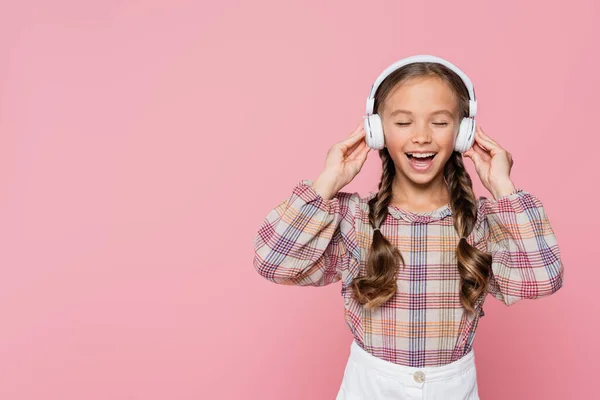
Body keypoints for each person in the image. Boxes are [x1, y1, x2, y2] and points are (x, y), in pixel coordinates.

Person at [253, 55, 564, 399]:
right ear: (376, 131)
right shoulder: (354, 219)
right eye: (403, 122)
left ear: (464, 133)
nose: (421, 137)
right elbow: (272, 262)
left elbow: (541, 279)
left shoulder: (481, 224)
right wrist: (329, 179)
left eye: (440, 123)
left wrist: (502, 187)